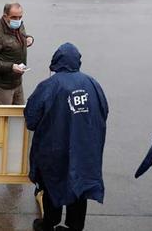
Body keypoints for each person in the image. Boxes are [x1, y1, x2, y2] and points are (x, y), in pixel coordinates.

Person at [25, 43, 108, 231]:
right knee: (80, 185)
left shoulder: (49, 85)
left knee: (53, 182)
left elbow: (31, 118)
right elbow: (103, 111)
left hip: (54, 147)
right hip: (86, 148)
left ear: (56, 61)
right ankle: (75, 226)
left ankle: (49, 223)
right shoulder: (93, 84)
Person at [0, 2, 34, 105]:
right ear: (5, 16)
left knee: (18, 115)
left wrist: (28, 38)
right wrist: (11, 66)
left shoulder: (18, 25)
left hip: (16, 81)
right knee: (2, 117)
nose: (18, 20)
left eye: (20, 17)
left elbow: (17, 36)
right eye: (14, 17)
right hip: (1, 85)